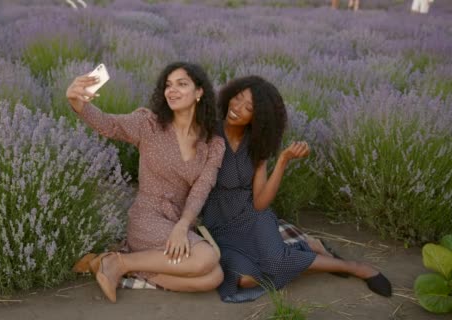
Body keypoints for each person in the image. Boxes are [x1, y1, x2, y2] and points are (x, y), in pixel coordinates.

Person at [201, 76, 392, 303]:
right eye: (237, 98)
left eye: (248, 107)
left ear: (258, 117)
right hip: (219, 223)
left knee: (275, 263)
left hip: (251, 217)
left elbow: (260, 203)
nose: (237, 108)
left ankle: (355, 267)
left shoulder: (256, 143)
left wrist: (282, 161)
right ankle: (307, 249)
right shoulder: (207, 132)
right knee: (242, 279)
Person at [65, 62, 225, 303]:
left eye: (182, 84)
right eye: (168, 85)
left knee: (213, 278)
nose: (172, 90)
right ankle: (118, 262)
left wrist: (183, 225)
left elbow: (201, 189)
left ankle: (117, 263)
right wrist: (77, 102)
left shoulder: (212, 144)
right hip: (146, 218)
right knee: (207, 259)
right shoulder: (148, 124)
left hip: (176, 223)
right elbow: (109, 124)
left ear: (199, 92)